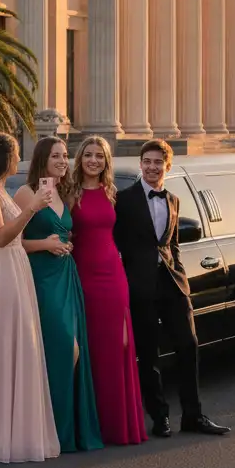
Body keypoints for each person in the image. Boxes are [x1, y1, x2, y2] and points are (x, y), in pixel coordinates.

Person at [113, 139, 230, 437]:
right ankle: (160, 417)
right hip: (140, 287)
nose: (152, 167)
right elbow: (115, 244)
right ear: (140, 164)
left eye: (158, 163)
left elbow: (172, 244)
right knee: (149, 354)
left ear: (167, 166)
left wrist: (182, 278)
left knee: (188, 346)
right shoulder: (123, 201)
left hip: (173, 285)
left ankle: (194, 416)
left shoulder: (173, 200)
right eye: (147, 161)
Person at [0, 133, 60, 464]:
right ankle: (1, 434)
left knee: (21, 344)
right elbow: (2, 237)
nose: (19, 161)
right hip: (1, 269)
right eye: (16, 155)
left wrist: (44, 239)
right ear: (5, 158)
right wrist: (31, 208)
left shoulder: (1, 191)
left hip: (15, 267)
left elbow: (15, 239)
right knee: (6, 345)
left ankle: (19, 429)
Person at [17, 137, 102, 453]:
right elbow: (11, 240)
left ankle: (67, 432)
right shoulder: (26, 193)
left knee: (71, 350)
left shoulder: (65, 193)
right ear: (42, 158)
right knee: (65, 348)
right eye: (56, 155)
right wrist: (46, 245)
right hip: (41, 278)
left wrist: (66, 244)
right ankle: (49, 431)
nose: (63, 160)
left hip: (67, 277)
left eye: (66, 155)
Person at [69, 136, 147, 446]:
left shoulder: (113, 193)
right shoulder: (70, 194)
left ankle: (120, 423)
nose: (93, 160)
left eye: (99, 156)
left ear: (106, 161)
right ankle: (94, 422)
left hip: (113, 277)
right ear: (80, 159)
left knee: (120, 345)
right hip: (83, 276)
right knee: (91, 348)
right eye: (88, 155)